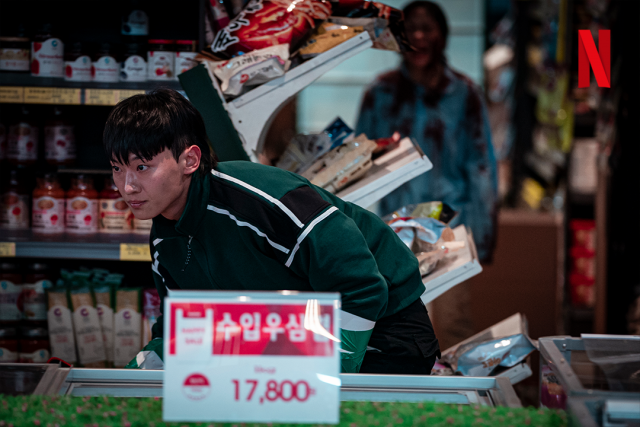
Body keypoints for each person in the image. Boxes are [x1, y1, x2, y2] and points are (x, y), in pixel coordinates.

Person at [104, 89, 439, 374]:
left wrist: (331, 374)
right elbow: (185, 323)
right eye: (118, 169)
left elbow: (362, 287)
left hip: (385, 326)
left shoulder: (260, 198)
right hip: (301, 332)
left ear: (190, 160)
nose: (127, 186)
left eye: (142, 167)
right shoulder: (165, 237)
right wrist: (140, 371)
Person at [355, 1, 498, 349]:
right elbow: (357, 167)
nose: (419, 36)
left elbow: (482, 167)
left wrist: (484, 235)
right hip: (394, 227)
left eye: (428, 28)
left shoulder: (464, 94)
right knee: (396, 329)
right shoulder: (380, 93)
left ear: (443, 36)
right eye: (411, 28)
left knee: (451, 324)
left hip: (451, 226)